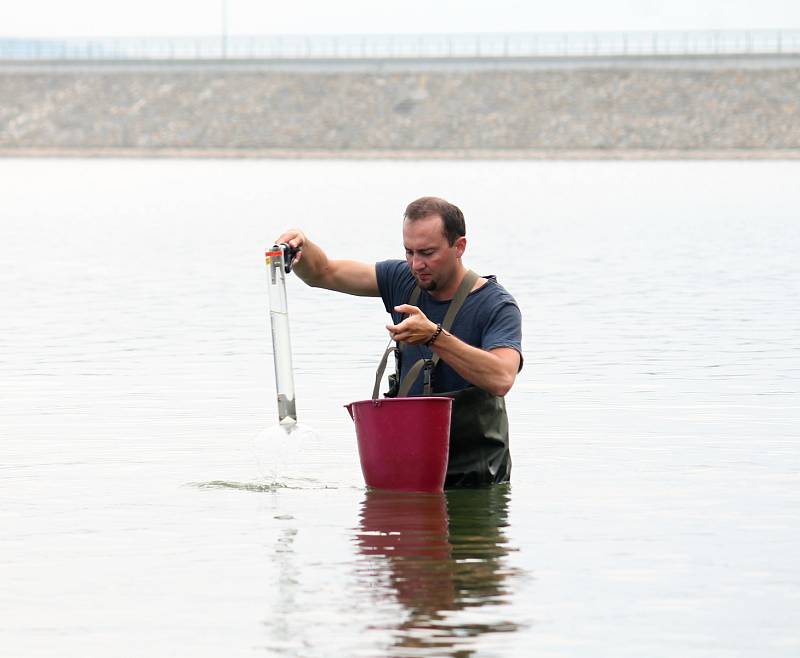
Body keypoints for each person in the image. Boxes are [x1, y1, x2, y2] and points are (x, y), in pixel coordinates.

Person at [276, 196, 522, 487]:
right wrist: (302, 244)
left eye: (428, 253)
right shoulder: (402, 280)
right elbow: (324, 272)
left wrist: (434, 336)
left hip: (477, 483)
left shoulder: (496, 305)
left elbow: (501, 377)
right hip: (409, 475)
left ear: (459, 247)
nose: (417, 264)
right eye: (409, 252)